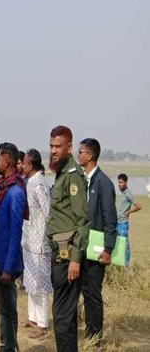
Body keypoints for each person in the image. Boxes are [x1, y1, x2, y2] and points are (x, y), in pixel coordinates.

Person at [46, 125, 90, 352]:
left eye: (58, 147)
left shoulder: (74, 176)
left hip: (68, 256)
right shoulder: (62, 173)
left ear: (69, 147)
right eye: (51, 146)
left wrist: (75, 258)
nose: (53, 151)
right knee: (65, 315)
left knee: (62, 316)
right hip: (59, 253)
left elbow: (83, 221)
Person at [0, 143, 26, 352]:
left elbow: (15, 234)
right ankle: (5, 344)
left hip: (6, 264)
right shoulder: (4, 188)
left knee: (9, 309)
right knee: (3, 309)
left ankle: (9, 346)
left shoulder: (15, 192)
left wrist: (9, 268)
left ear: (7, 161)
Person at [77, 138, 117, 349]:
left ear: (90, 156)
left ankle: (96, 338)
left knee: (93, 293)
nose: (78, 154)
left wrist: (108, 249)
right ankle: (89, 332)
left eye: (81, 151)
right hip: (81, 248)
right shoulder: (82, 180)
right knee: (84, 291)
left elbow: (111, 220)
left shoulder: (104, 184)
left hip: (97, 249)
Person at [21, 149, 53, 339]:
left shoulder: (39, 184)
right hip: (30, 239)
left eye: (24, 163)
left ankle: (42, 323)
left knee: (40, 284)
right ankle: (33, 318)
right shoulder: (31, 182)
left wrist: (43, 234)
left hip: (40, 241)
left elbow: (48, 212)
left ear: (30, 165)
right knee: (31, 282)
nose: (22, 165)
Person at [117, 173, 142, 268]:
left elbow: (139, 206)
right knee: (118, 243)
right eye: (118, 182)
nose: (119, 184)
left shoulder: (128, 194)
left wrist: (129, 212)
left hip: (123, 223)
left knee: (125, 245)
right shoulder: (122, 193)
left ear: (126, 183)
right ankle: (119, 264)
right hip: (117, 222)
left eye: (121, 182)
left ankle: (125, 266)